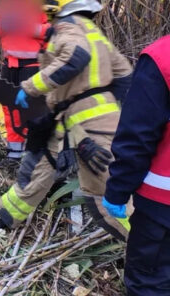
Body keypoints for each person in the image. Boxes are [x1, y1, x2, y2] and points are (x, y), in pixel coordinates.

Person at [0, 0, 132, 240]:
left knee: (105, 198)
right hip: (69, 117)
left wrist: (30, 88)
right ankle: (5, 213)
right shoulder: (93, 31)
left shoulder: (68, 28)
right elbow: (125, 75)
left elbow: (76, 57)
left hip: (89, 123)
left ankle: (150, 250)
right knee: (38, 164)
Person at [104, 35, 170, 294]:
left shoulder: (162, 57)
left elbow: (138, 136)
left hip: (162, 209)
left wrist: (118, 190)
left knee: (150, 283)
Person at [0, 0, 51, 163]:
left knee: (32, 111)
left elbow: (54, 31)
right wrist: (6, 24)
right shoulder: (7, 2)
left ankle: (33, 156)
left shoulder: (40, 2)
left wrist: (29, 28)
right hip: (10, 65)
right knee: (9, 108)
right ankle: (14, 154)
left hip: (33, 66)